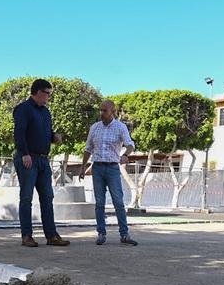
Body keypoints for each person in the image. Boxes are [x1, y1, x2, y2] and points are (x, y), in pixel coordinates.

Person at [13, 78, 70, 247]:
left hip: (43, 160)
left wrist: (54, 137)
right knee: (26, 197)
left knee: (47, 197)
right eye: (47, 93)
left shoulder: (46, 112)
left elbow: (46, 132)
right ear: (38, 92)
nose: (49, 97)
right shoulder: (23, 109)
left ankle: (51, 236)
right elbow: (19, 132)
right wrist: (24, 153)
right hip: (28, 158)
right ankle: (27, 236)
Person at [79, 100, 138, 246]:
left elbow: (130, 144)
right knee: (99, 203)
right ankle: (101, 233)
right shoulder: (94, 127)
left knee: (118, 201)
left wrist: (125, 155)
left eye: (105, 110)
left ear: (113, 111)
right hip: (97, 168)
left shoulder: (120, 127)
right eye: (101, 110)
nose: (101, 113)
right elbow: (88, 148)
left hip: (112, 168)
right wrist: (82, 167)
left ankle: (124, 234)